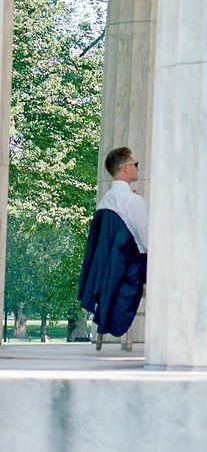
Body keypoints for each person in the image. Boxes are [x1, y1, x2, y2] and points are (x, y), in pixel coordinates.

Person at [78, 148, 148, 346]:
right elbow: (148, 241)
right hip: (131, 268)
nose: (137, 168)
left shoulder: (104, 202)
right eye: (136, 164)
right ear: (125, 168)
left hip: (110, 269)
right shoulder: (133, 201)